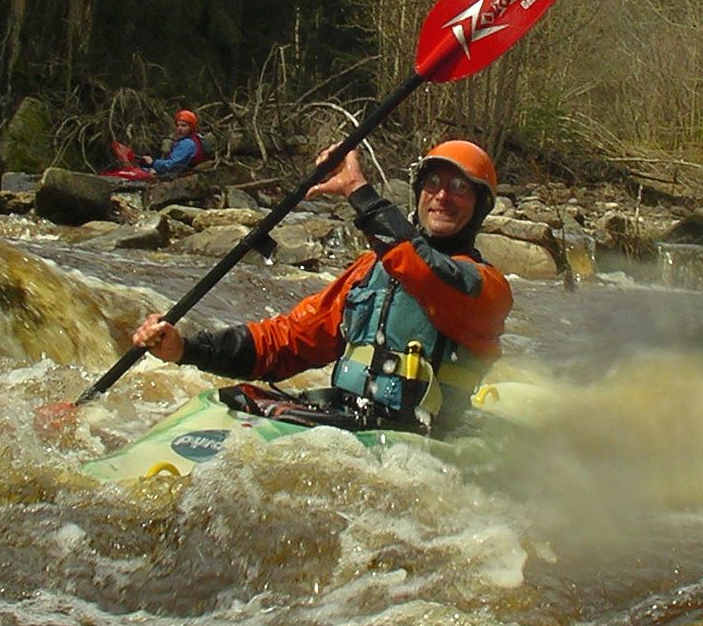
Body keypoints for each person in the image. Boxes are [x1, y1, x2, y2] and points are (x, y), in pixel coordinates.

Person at [129, 140, 511, 437]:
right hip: (351, 420)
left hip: (423, 438)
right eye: (433, 183)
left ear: (479, 206)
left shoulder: (486, 288)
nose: (442, 196)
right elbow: (285, 341)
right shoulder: (369, 272)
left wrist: (359, 191)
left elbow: (426, 272)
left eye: (459, 187)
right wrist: (186, 349)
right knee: (236, 399)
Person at [136, 109, 207, 177]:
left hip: (177, 177)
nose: (179, 128)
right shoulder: (189, 139)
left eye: (183, 125)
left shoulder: (188, 143)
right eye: (177, 125)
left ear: (191, 127)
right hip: (175, 173)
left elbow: (171, 165)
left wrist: (153, 162)